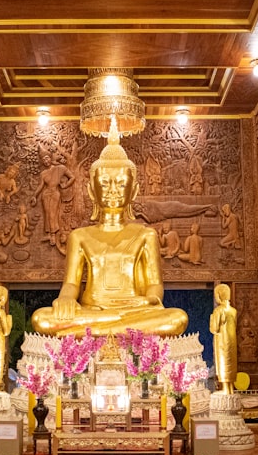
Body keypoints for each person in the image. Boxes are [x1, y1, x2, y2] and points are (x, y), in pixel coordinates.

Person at [30, 118, 188, 337]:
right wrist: (65, 299)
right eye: (105, 183)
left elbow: (154, 286)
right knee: (42, 319)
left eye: (121, 183)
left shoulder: (145, 235)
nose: (113, 190)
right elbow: (71, 284)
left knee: (176, 319)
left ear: (132, 191)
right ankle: (120, 330)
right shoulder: (80, 236)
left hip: (134, 309)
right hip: (92, 311)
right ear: (92, 191)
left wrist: (152, 299)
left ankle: (100, 331)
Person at [210, 284, 237, 393]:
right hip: (232, 340)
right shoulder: (233, 311)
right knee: (231, 362)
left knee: (223, 363)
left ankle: (225, 389)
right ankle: (230, 388)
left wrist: (211, 319)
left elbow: (214, 328)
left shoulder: (218, 311)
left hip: (222, 341)